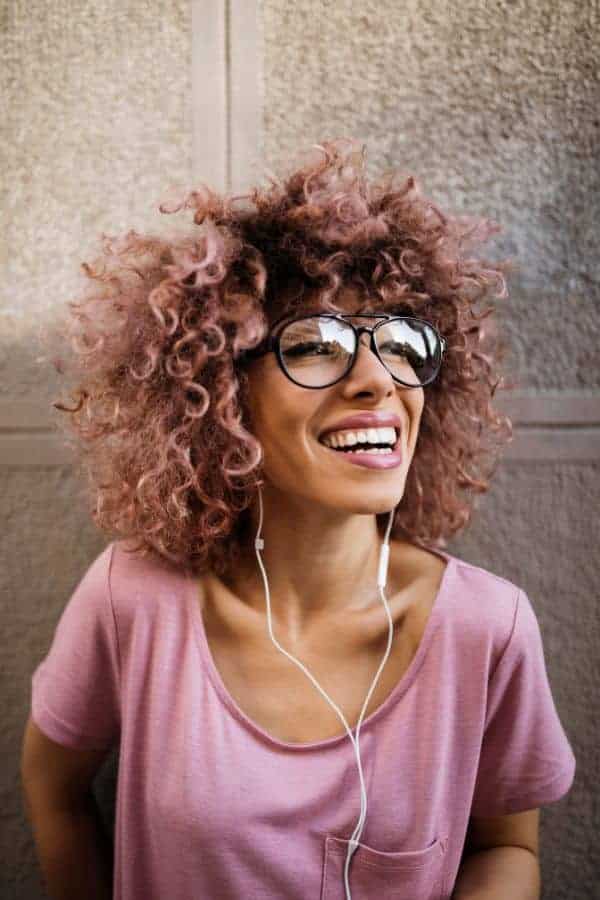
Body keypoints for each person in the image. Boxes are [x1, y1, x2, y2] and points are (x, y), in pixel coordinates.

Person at [22, 138, 576, 900]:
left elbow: (508, 847)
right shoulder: (133, 599)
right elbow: (52, 792)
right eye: (317, 345)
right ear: (220, 390)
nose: (378, 381)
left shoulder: (487, 628)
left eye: (399, 344)